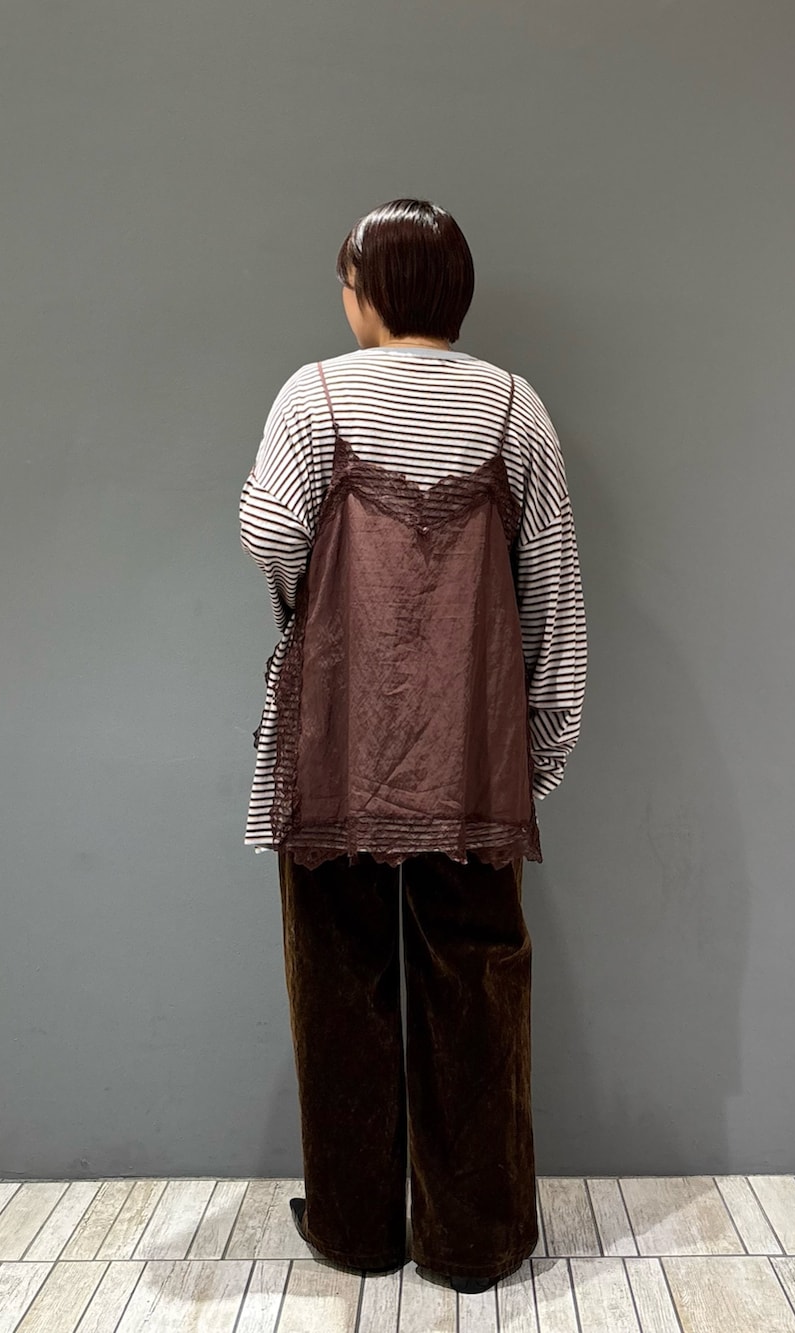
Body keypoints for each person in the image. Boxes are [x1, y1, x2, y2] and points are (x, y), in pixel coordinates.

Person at [239, 198, 587, 1293]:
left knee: (338, 983)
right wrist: (540, 746)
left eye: (347, 282)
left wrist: (309, 616)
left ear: (371, 292)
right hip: (471, 757)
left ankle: (354, 1229)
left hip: (334, 748)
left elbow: (269, 530)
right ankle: (472, 1241)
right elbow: (552, 589)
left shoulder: (313, 395)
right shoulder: (514, 408)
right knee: (475, 989)